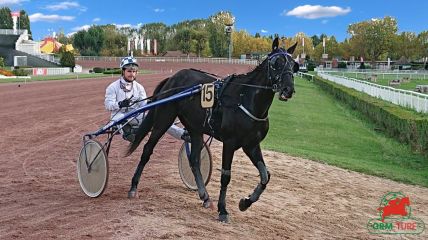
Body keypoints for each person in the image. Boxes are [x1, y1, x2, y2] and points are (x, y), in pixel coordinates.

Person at [104, 56, 189, 142]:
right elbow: (108, 105)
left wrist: (150, 103)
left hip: (135, 116)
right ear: (123, 71)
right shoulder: (113, 87)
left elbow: (143, 105)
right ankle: (128, 134)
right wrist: (120, 104)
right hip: (119, 116)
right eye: (129, 71)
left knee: (161, 119)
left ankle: (182, 134)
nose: (132, 74)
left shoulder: (139, 87)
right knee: (119, 119)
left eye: (134, 71)